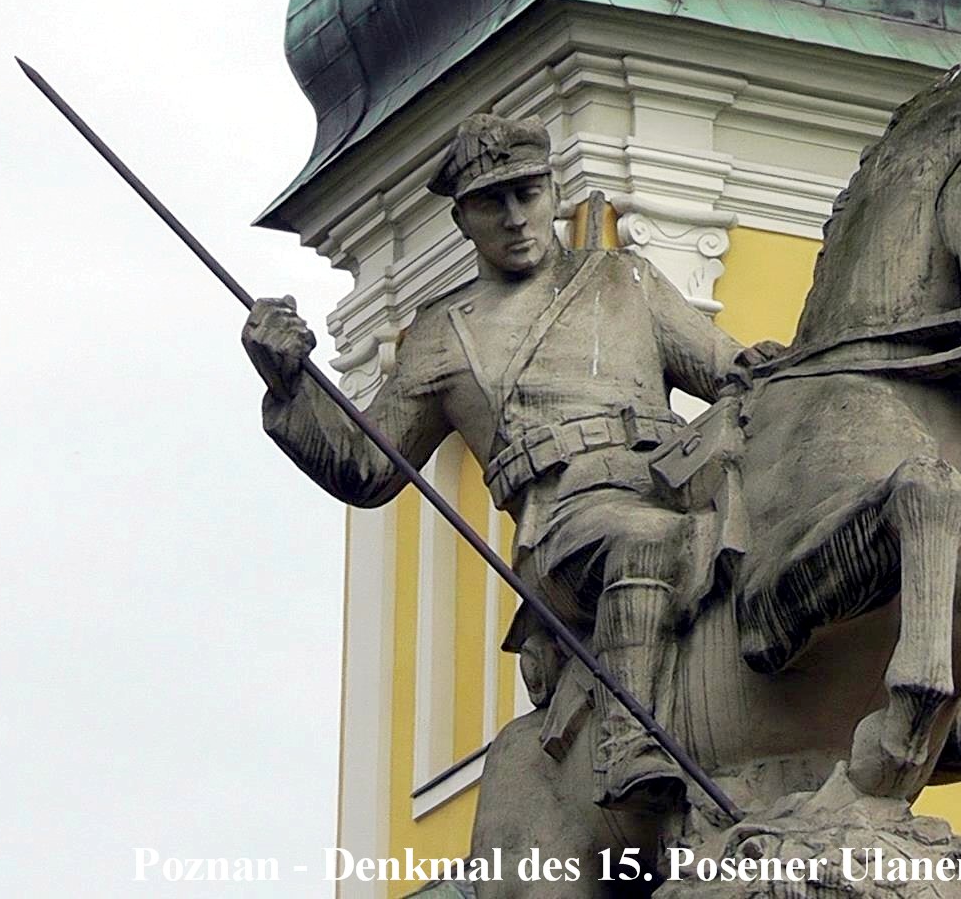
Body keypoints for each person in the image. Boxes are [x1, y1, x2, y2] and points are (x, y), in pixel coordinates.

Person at [242, 113, 752, 812]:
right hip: (568, 528)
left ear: (552, 192)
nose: (516, 217)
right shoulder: (442, 336)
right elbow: (366, 465)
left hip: (678, 489)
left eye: (528, 193)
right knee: (644, 538)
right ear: (463, 221)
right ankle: (628, 739)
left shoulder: (624, 279)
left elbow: (733, 371)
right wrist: (289, 385)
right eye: (492, 202)